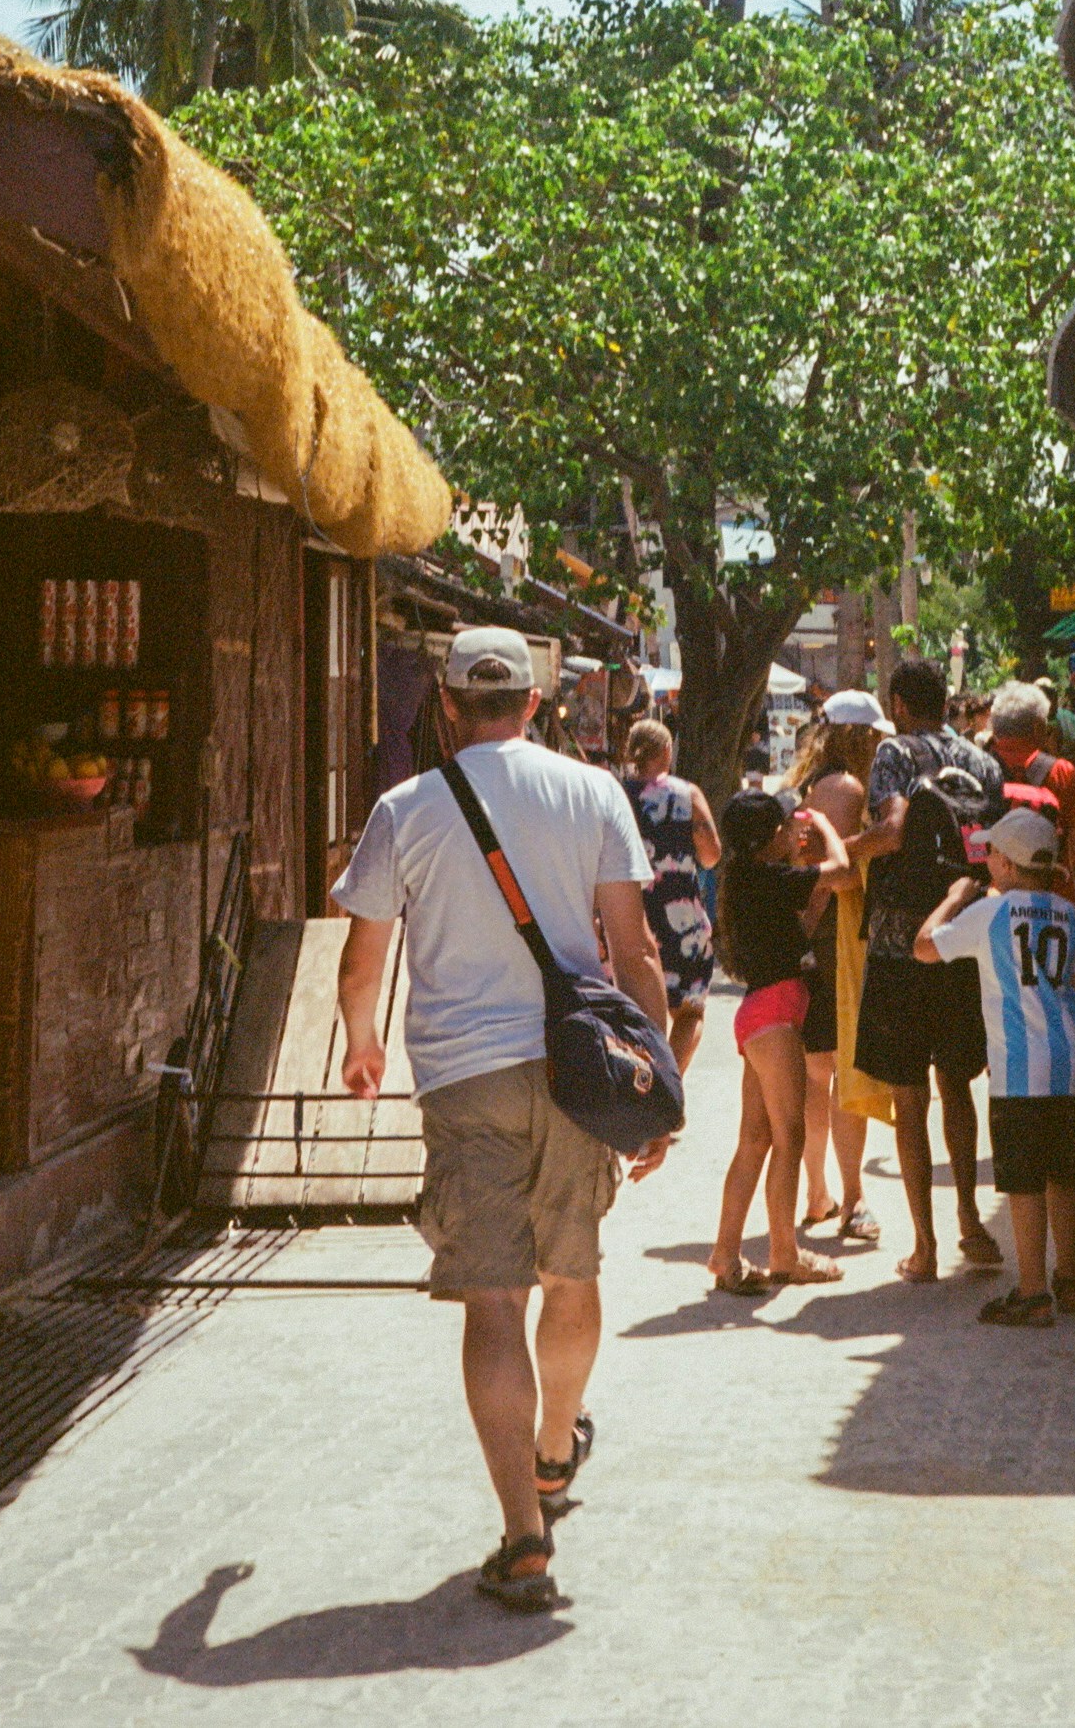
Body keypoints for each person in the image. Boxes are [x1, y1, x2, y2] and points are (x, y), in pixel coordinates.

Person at [332, 627, 671, 1616]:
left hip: (463, 1075)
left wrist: (359, 1042)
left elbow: (363, 961)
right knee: (573, 1272)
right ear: (533, 702)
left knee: (492, 1300)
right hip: (577, 1071)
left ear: (443, 705)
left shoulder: (404, 808)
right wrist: (653, 1077)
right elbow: (634, 946)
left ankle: (524, 1540)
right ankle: (556, 1449)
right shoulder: (593, 792)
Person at [847, 658, 1007, 1283]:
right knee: (957, 1085)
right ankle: (971, 1218)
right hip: (963, 934)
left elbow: (889, 831)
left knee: (909, 1096)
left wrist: (841, 850)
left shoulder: (894, 752)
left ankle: (925, 1247)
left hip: (897, 940)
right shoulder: (984, 762)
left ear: (900, 702)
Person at [916, 807, 1075, 1328]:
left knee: (1022, 1183)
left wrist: (953, 899)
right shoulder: (1066, 912)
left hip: (1019, 1071)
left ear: (1011, 864)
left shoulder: (990, 913)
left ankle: (1033, 1292)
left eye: (992, 852)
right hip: (1070, 1064)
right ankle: (1069, 1276)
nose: (987, 859)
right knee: (1063, 1176)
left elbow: (924, 948)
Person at [706, 789, 855, 1295]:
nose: (796, 833)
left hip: (758, 1015)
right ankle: (785, 1255)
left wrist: (810, 881)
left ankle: (726, 1256)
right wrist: (827, 827)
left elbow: (799, 933)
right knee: (788, 1137)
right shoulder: (771, 877)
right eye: (788, 827)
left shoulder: (749, 881)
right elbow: (841, 868)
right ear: (772, 839)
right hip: (775, 1019)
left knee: (755, 1139)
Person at [788, 691, 891, 1247]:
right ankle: (854, 1198)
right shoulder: (848, 789)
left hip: (811, 941)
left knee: (813, 1073)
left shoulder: (812, 782)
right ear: (860, 737)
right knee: (847, 1077)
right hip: (836, 944)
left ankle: (818, 1190)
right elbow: (839, 873)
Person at [983, 680, 1075, 976]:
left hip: (992, 915)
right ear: (1036, 728)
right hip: (1053, 914)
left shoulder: (977, 770)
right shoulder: (1061, 773)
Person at [618, 717, 721, 1078]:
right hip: (681, 916)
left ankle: (640, 1093)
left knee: (635, 1012)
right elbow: (711, 854)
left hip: (627, 915)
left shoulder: (614, 793)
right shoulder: (686, 794)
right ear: (666, 751)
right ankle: (667, 1089)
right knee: (690, 1010)